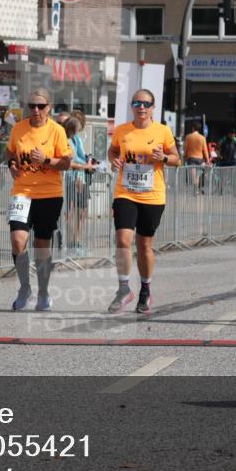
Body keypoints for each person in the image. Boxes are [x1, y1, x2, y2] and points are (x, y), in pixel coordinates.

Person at [107, 89, 181, 314]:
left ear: (152, 108)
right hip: (125, 192)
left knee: (144, 244)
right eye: (137, 103)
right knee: (123, 238)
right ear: (132, 106)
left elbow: (177, 159)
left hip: (152, 194)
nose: (141, 107)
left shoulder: (162, 131)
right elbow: (112, 151)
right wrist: (114, 161)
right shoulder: (122, 130)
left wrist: (165, 158)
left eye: (146, 104)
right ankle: (123, 288)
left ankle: (145, 290)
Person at [6, 88, 71, 311]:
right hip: (22, 192)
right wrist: (12, 165)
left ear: (49, 108)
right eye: (31, 106)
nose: (35, 110)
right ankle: (25, 287)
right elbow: (10, 153)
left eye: (40, 106)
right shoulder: (18, 129)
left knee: (42, 244)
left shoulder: (57, 131)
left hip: (49, 194)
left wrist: (46, 160)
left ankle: (43, 291)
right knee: (17, 241)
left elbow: (66, 163)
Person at [63, 117, 95, 256]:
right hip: (72, 178)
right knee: (70, 213)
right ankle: (70, 243)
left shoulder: (77, 139)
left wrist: (88, 162)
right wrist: (85, 165)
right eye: (77, 128)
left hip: (81, 177)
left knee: (81, 212)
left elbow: (79, 156)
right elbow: (71, 159)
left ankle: (77, 242)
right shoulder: (66, 140)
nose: (78, 131)